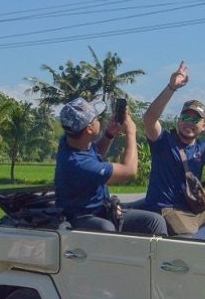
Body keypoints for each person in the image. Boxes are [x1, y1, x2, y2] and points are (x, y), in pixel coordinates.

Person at [143, 61, 205, 235]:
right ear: (178, 120)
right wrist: (171, 88)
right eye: (185, 118)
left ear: (204, 126)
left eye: (195, 119)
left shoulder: (203, 148)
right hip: (168, 210)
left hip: (195, 211)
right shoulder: (163, 141)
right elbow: (149, 119)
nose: (188, 123)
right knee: (192, 242)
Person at [54, 97, 168, 235]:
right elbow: (129, 170)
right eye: (96, 118)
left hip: (101, 208)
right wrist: (131, 132)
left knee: (155, 217)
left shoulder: (70, 142)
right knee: (107, 228)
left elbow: (96, 155)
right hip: (83, 216)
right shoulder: (79, 164)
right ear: (89, 129)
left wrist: (109, 134)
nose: (99, 120)